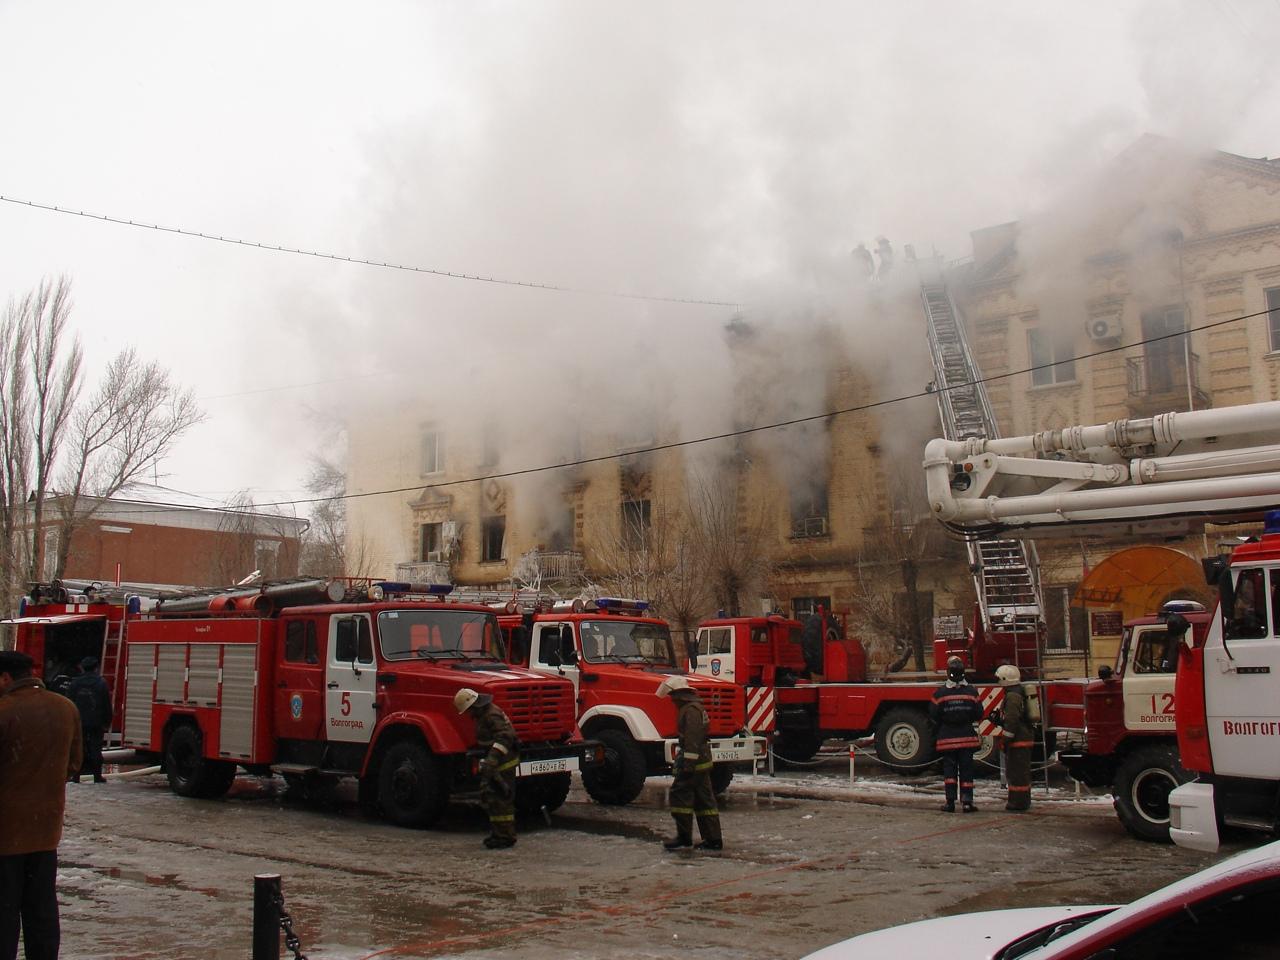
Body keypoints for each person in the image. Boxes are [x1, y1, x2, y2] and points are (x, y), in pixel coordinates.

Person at [0, 649, 83, 960]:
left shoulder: (4, 710)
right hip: (47, 831)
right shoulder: (65, 708)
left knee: (5, 912)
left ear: (5, 678)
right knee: (43, 909)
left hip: (6, 835)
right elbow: (75, 764)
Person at [656, 675, 722, 851]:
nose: (672, 701)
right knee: (704, 801)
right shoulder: (694, 707)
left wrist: (688, 765)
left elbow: (693, 739)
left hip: (695, 762)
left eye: (672, 697)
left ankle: (684, 837)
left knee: (679, 795)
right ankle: (713, 839)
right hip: (701, 761)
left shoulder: (690, 710)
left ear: (679, 695)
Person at [453, 688, 519, 849]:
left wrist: (492, 759)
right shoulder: (485, 713)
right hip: (496, 761)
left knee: (499, 799)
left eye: (469, 711)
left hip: (503, 762)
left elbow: (505, 737)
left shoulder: (491, 714)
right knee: (492, 797)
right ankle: (500, 834)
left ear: (474, 705)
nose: (469, 715)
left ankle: (505, 836)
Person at [930, 656, 981, 813]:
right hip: (967, 737)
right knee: (967, 771)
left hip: (947, 739)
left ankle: (950, 803)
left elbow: (933, 714)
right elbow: (979, 713)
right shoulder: (972, 692)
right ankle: (967, 802)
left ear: (948, 672)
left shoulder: (940, 694)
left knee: (949, 772)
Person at [66, 657, 111, 784]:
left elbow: (69, 701)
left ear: (82, 667)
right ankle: (97, 776)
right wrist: (107, 721)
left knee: (79, 748)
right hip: (96, 721)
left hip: (79, 721)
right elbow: (106, 704)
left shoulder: (75, 683)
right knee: (96, 748)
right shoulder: (101, 683)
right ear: (96, 667)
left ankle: (76, 776)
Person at [996, 664, 1034, 812]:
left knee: (1016, 773)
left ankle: (1017, 803)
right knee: (1020, 772)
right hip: (1023, 737)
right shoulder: (1018, 692)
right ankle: (1022, 801)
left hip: (1018, 739)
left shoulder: (1012, 696)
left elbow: (1012, 720)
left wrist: (1004, 740)